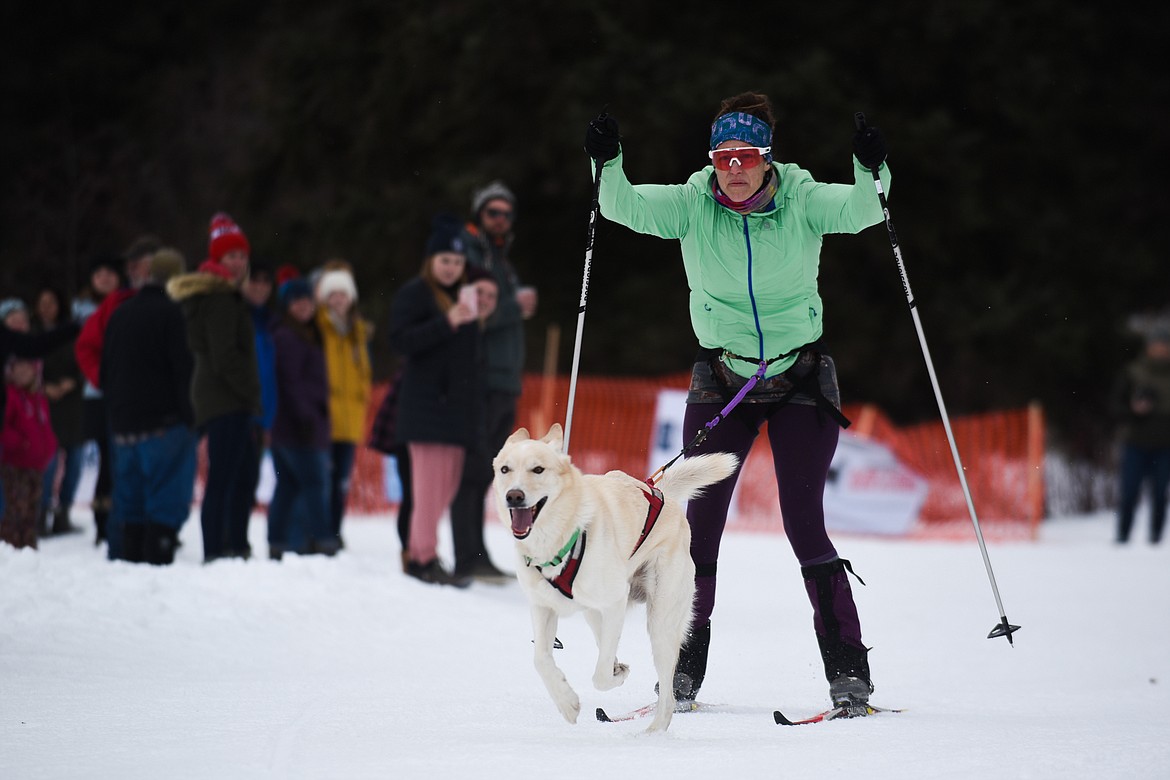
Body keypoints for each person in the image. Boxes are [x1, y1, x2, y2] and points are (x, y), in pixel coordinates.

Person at [583, 91, 890, 709]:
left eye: (747, 156)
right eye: (724, 157)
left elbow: (865, 210)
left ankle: (848, 672)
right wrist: (607, 161)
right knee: (696, 531)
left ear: (767, 157)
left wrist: (870, 165)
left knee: (804, 522)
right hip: (723, 377)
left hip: (800, 376)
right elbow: (621, 207)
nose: (735, 169)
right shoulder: (694, 205)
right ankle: (683, 672)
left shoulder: (801, 199)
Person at [388, 215, 484, 587]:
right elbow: (400, 341)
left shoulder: (465, 297)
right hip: (425, 411)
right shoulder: (415, 293)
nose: (451, 268)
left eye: (457, 262)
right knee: (426, 492)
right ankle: (421, 559)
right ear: (431, 261)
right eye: (445, 261)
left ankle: (425, 553)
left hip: (454, 414)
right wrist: (447, 322)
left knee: (444, 489)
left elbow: (469, 361)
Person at [450, 180, 536, 581]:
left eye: (506, 213)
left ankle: (477, 551)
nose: (500, 220)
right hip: (480, 381)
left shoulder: (500, 260)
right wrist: (512, 307)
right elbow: (471, 316)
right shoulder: (469, 257)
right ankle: (466, 555)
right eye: (492, 213)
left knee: (487, 472)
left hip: (504, 381)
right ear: (479, 215)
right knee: (471, 470)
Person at [167, 212, 261, 563]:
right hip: (225, 398)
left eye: (241, 256)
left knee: (241, 474)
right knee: (225, 477)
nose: (238, 262)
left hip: (224, 397)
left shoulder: (224, 294)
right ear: (216, 260)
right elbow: (224, 357)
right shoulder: (221, 298)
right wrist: (251, 390)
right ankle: (219, 551)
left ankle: (235, 545)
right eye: (230, 256)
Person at [101, 248, 196, 564]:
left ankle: (130, 571)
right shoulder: (173, 314)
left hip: (124, 426)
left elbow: (106, 371)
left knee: (132, 506)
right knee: (165, 503)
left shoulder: (120, 313)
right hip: (164, 424)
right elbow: (182, 370)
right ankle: (156, 567)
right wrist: (190, 416)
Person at [74, 239, 159, 546]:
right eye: (101, 273)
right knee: (111, 464)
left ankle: (139, 524)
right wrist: (103, 379)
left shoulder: (144, 300)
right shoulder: (104, 307)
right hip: (105, 399)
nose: (107, 278)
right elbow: (85, 347)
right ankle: (108, 524)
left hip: (142, 399)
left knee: (135, 463)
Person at [268, 275, 336, 559]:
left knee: (288, 485)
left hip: (291, 425)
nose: (304, 306)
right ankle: (321, 540)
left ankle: (279, 541)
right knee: (313, 483)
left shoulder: (308, 333)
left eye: (307, 300)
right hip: (297, 426)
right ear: (287, 305)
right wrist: (307, 417)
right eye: (297, 301)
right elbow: (291, 381)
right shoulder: (288, 336)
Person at [314, 261, 372, 547]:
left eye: (343, 294)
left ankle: (334, 532)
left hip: (349, 419)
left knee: (341, 482)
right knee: (321, 480)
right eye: (333, 294)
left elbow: (364, 375)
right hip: (324, 417)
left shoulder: (357, 333)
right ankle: (320, 532)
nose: (338, 300)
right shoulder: (318, 328)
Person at [1110, 327, 1170, 545]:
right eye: (1158, 346)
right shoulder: (1133, 372)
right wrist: (1134, 410)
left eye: (1165, 346)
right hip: (1135, 442)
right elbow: (1116, 407)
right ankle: (1122, 537)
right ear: (1149, 347)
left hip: (1165, 445)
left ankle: (1156, 538)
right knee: (1128, 493)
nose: (1162, 351)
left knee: (1160, 495)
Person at [33, 287, 85, 536]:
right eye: (42, 302)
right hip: (44, 406)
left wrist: (72, 382)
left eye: (51, 302)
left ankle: (63, 512)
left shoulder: (71, 333)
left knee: (75, 462)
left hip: (72, 405)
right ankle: (41, 514)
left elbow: (85, 361)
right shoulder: (31, 335)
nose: (46, 307)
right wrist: (41, 387)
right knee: (48, 463)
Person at [238, 260, 279, 540]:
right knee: (236, 479)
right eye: (255, 280)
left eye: (266, 281)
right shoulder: (238, 314)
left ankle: (239, 539)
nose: (260, 286)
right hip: (239, 407)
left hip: (263, 411)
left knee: (250, 478)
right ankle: (230, 539)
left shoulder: (271, 320)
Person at [1, 353, 57, 550]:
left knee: (32, 510)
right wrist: (19, 443)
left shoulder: (39, 397)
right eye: (19, 368)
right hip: (15, 464)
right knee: (16, 509)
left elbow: (46, 427)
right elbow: (4, 428)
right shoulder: (10, 396)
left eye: (28, 368)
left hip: (37, 465)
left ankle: (29, 549)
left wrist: (50, 447)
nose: (24, 373)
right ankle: (10, 548)